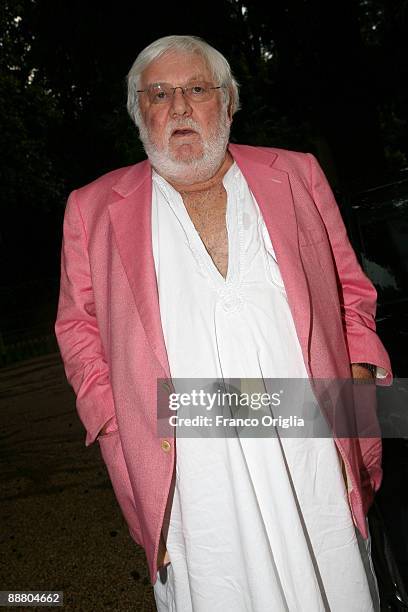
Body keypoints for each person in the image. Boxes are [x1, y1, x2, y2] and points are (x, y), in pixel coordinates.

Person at [55, 35, 392, 611]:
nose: (179, 107)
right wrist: (114, 420)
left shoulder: (298, 174)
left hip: (310, 437)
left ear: (230, 102)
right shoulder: (91, 208)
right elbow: (77, 327)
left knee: (336, 582)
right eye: (158, 94)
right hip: (190, 465)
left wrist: (359, 385)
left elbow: (350, 290)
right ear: (140, 113)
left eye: (196, 89)